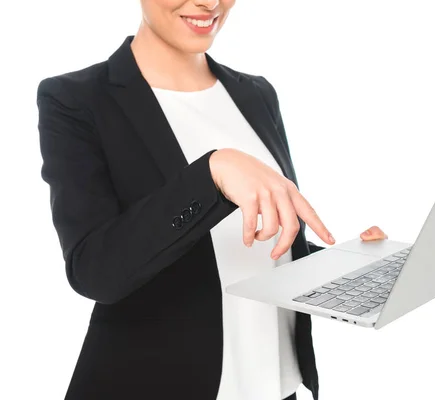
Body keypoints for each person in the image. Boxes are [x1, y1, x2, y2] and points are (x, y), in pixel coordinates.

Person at [36, 1, 388, 399]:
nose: (210, 2)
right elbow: (94, 271)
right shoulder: (76, 99)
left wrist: (350, 265)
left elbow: (258, 245)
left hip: (275, 386)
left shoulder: (255, 93)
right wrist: (210, 175)